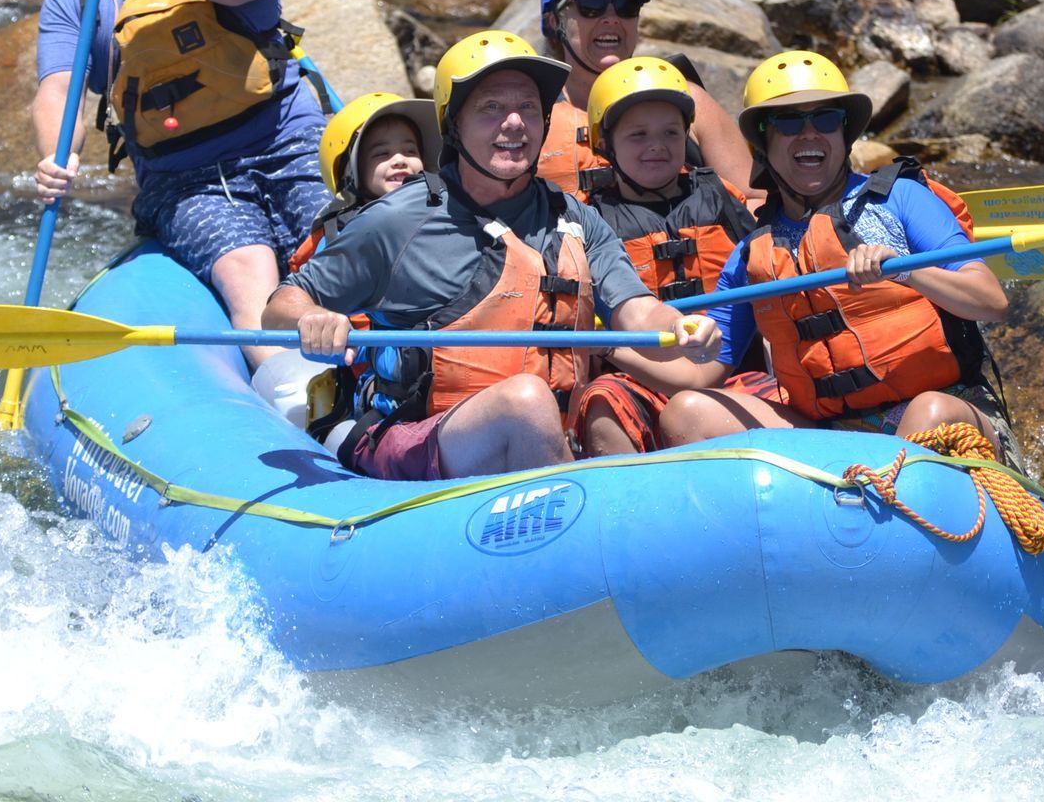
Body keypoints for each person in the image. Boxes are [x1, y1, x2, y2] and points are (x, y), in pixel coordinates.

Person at [263, 31, 720, 481]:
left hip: (544, 441)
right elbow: (280, 306)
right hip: (419, 438)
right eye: (491, 108)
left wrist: (680, 326)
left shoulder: (575, 219)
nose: (515, 123)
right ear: (454, 126)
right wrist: (311, 319)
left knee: (556, 406)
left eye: (527, 108)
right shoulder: (399, 220)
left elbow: (635, 310)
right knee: (524, 401)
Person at [31, 0, 326, 369]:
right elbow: (58, 86)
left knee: (342, 243)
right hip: (183, 175)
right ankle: (297, 403)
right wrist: (57, 154)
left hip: (286, 137)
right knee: (247, 268)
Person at [659, 51, 1010, 453]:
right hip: (835, 435)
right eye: (789, 122)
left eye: (825, 120)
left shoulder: (899, 198)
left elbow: (991, 300)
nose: (809, 134)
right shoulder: (751, 251)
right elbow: (703, 370)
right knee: (687, 412)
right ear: (764, 142)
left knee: (926, 412)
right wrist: (621, 346)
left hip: (949, 411)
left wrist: (904, 271)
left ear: (844, 135)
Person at [567, 57, 761, 456]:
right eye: (637, 135)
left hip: (733, 371)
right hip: (635, 380)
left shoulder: (723, 197)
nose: (656, 145)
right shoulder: (587, 218)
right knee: (602, 403)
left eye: (670, 133)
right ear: (605, 144)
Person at [533, 0, 749, 198]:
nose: (611, 17)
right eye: (590, 5)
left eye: (627, 5)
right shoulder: (527, 115)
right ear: (554, 20)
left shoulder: (690, 101)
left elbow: (755, 199)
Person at [288, 91, 440, 270]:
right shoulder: (339, 238)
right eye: (382, 153)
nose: (400, 160)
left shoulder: (447, 209)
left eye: (410, 151)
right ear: (350, 173)